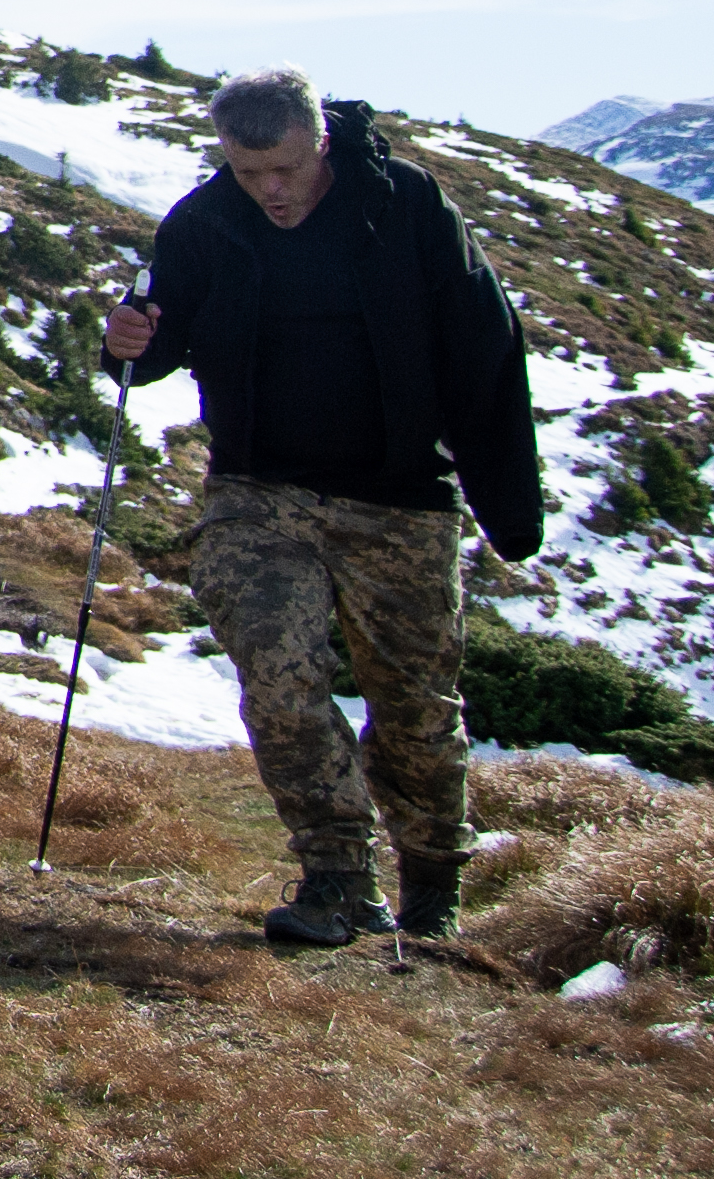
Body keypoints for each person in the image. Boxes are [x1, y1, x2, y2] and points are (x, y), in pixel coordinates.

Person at [103, 67, 542, 949]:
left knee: (415, 704)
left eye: (287, 169)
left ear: (322, 142)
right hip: (257, 491)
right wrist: (125, 344)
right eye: (249, 172)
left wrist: (508, 507)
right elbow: (152, 343)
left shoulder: (406, 204)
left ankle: (432, 886)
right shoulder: (203, 222)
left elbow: (485, 345)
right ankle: (338, 878)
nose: (271, 190)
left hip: (400, 499)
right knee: (277, 675)